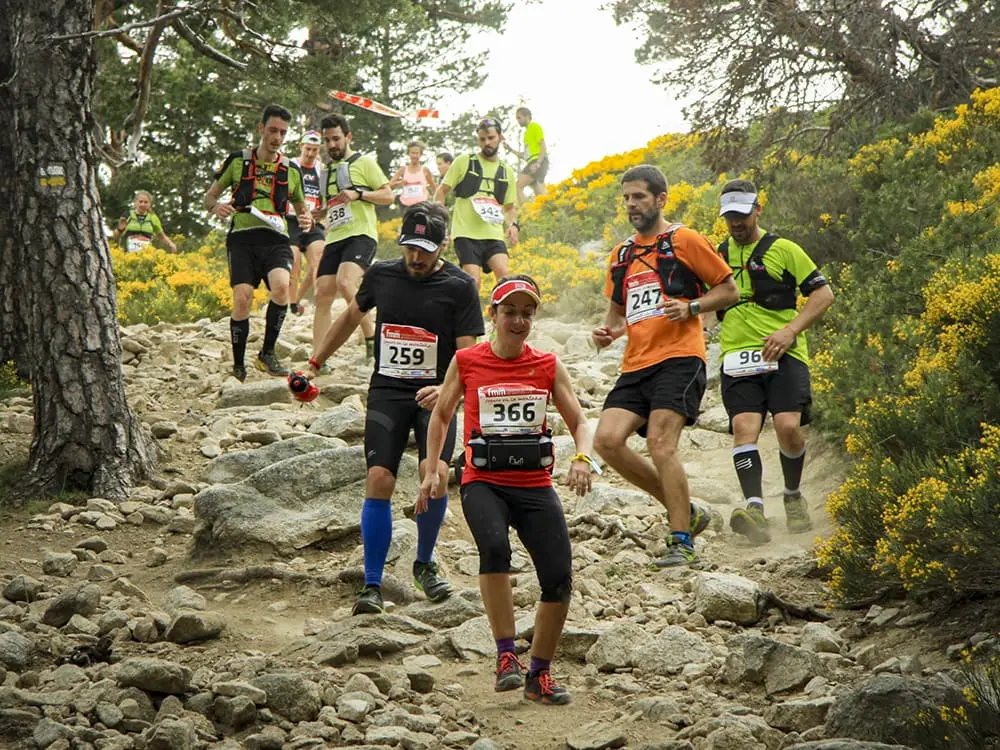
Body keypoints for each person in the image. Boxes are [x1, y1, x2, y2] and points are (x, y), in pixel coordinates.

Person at [419, 274, 598, 706]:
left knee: (558, 578)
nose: (518, 321)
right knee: (495, 549)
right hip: (484, 482)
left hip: (534, 485)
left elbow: (580, 421)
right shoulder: (466, 360)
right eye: (509, 312)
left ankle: (539, 674)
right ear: (493, 315)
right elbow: (442, 415)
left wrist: (582, 457)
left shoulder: (549, 365)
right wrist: (433, 467)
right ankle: (505, 657)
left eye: (527, 313)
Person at [307, 201, 484, 615]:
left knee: (435, 475)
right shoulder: (383, 275)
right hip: (387, 389)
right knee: (379, 477)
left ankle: (424, 563)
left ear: (444, 246)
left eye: (426, 248)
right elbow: (351, 317)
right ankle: (371, 585)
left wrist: (445, 389)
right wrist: (315, 364)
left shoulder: (460, 287)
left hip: (436, 396)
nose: (417, 257)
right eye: (410, 247)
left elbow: (469, 356)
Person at [592, 165, 740, 567]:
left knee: (660, 443)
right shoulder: (621, 254)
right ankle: (686, 510)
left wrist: (691, 306)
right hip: (636, 362)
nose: (631, 205)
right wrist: (608, 333)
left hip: (680, 356)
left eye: (638, 197)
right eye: (625, 198)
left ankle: (680, 540)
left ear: (661, 199)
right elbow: (617, 316)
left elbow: (729, 290)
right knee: (606, 441)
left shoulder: (685, 240)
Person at [715, 179, 835, 543]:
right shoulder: (717, 253)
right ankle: (755, 508)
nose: (736, 223)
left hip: (785, 354)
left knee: (788, 428)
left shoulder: (783, 249)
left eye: (742, 214)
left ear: (757, 209)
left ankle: (793, 495)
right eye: (729, 216)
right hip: (737, 357)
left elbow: (823, 294)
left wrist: (790, 331)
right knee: (744, 430)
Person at [204, 104, 313, 382]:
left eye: (283, 133)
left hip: (276, 238)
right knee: (242, 299)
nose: (277, 137)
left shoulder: (290, 170)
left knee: (281, 287)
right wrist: (216, 207)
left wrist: (306, 220)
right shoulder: (238, 161)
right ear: (261, 128)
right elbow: (209, 198)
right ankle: (239, 364)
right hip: (241, 239)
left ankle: (267, 352)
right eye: (273, 130)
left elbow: (302, 209)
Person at [315, 114, 394, 360]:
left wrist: (359, 194)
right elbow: (333, 205)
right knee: (322, 294)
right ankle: (319, 356)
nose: (331, 145)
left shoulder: (365, 163)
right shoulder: (325, 171)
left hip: (361, 234)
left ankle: (371, 336)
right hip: (335, 236)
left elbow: (388, 196)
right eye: (327, 140)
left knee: (345, 282)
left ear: (348, 137)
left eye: (336, 139)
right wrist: (320, 212)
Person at [434, 119, 518, 291]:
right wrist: (439, 223)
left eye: (491, 138)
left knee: (504, 277)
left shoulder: (506, 170)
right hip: (466, 234)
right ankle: (471, 317)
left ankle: (501, 316)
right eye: (482, 139)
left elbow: (509, 206)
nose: (486, 142)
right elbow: (441, 192)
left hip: (493, 234)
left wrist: (513, 225)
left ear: (500, 138)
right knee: (473, 282)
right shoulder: (464, 161)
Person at [287, 130, 328, 316]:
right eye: (307, 149)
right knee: (294, 261)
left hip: (313, 221)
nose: (311, 154)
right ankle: (289, 305)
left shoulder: (322, 169)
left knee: (319, 259)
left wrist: (324, 212)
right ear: (300, 147)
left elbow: (327, 196)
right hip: (291, 219)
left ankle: (298, 300)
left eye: (315, 150)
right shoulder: (290, 165)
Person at [113, 190, 177, 254]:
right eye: (140, 202)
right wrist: (119, 230)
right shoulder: (127, 215)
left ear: (149, 204)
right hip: (128, 255)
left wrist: (171, 244)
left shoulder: (153, 217)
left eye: (146, 202)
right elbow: (115, 237)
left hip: (146, 256)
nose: (143, 204)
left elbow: (161, 236)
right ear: (135, 203)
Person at [509, 107, 549, 204]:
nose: (518, 120)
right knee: (540, 195)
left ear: (527, 116)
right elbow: (524, 155)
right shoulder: (526, 134)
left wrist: (538, 163)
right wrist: (509, 149)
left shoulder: (534, 126)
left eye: (519, 117)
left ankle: (528, 213)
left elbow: (542, 145)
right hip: (533, 161)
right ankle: (544, 212)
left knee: (517, 187)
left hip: (537, 162)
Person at [390, 141, 437, 207]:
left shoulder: (425, 170)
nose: (414, 156)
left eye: (417, 153)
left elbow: (434, 188)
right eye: (412, 153)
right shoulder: (403, 170)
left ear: (420, 154)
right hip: (406, 205)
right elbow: (389, 186)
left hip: (422, 205)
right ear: (409, 154)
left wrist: (437, 204)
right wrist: (400, 183)